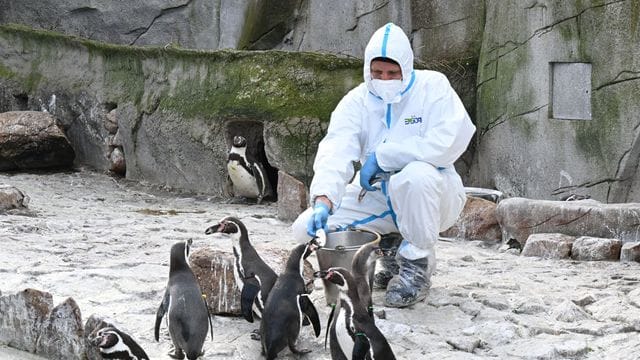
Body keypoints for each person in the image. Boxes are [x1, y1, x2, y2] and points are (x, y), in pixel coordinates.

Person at [292, 22, 475, 308]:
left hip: (432, 197)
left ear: (406, 67)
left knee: (414, 176)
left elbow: (451, 140)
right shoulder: (356, 102)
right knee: (306, 230)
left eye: (392, 73)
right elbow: (337, 148)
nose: (384, 79)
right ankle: (389, 253)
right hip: (378, 196)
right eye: (377, 73)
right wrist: (325, 199)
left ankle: (417, 265)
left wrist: (384, 157)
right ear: (368, 70)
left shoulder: (433, 88)